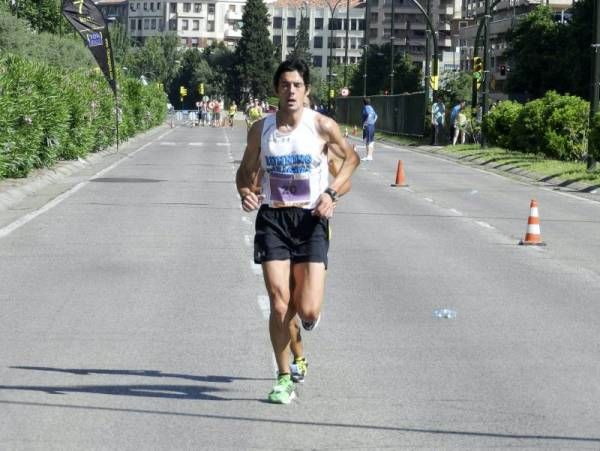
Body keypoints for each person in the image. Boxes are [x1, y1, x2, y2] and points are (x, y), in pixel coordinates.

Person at [236, 58, 359, 404]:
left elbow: (351, 160)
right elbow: (244, 174)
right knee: (279, 305)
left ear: (307, 91)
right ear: (276, 89)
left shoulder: (321, 126)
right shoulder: (261, 130)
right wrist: (245, 193)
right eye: (285, 85)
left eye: (297, 85)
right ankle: (283, 375)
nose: (291, 91)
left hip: (310, 222)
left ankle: (304, 328)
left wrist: (331, 193)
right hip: (274, 220)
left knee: (306, 310)